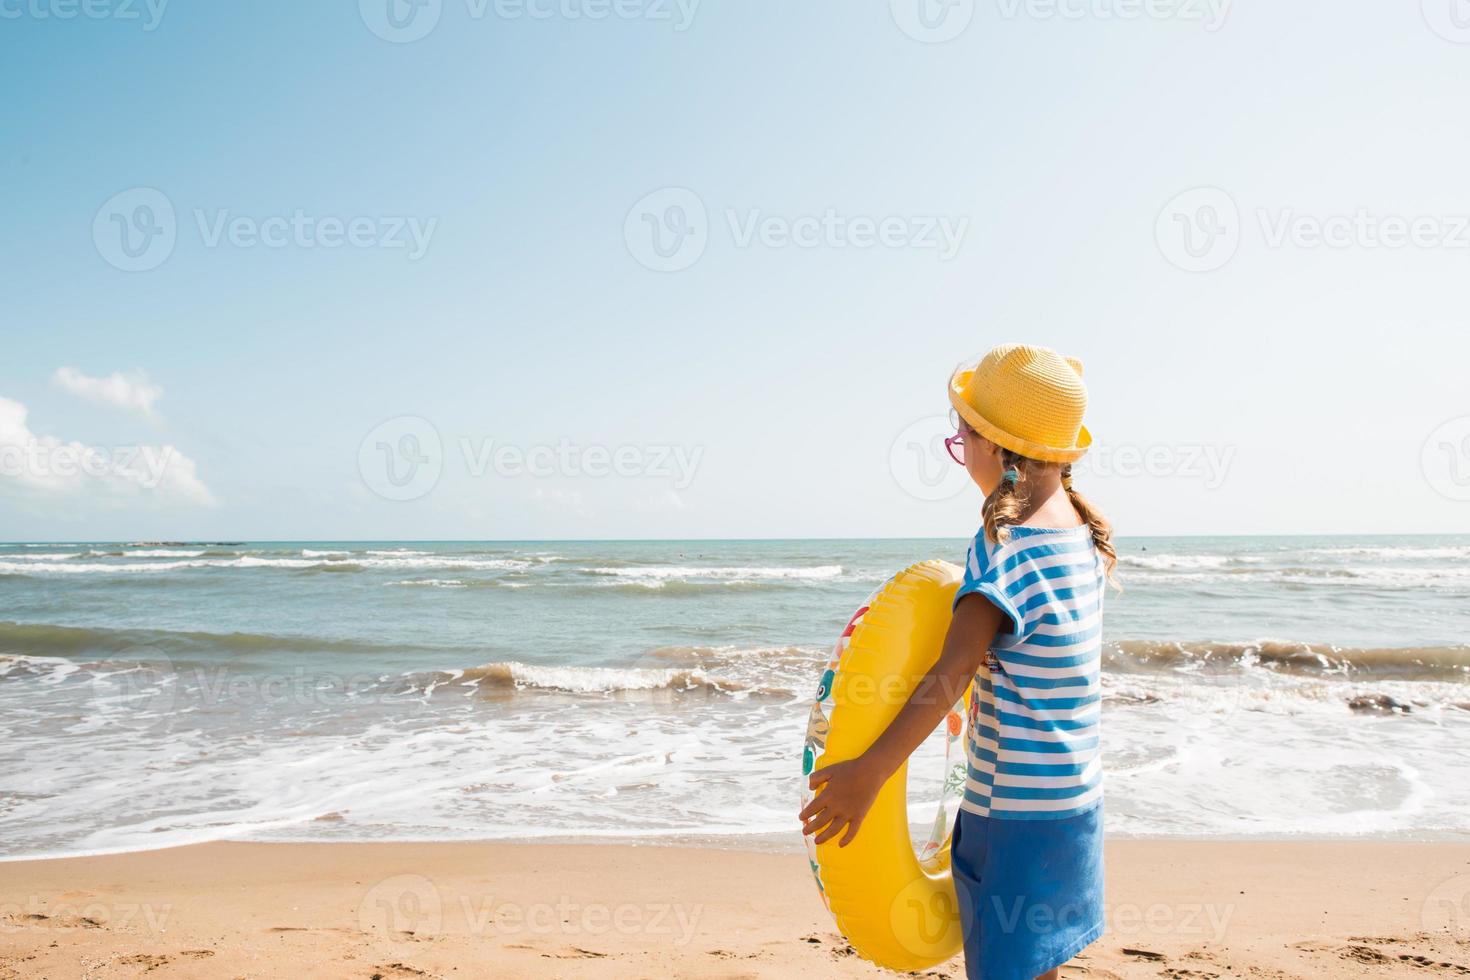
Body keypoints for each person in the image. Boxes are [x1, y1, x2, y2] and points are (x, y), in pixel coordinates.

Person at [800, 344, 1116, 980]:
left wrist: (871, 772)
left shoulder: (1004, 551)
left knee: (1004, 969)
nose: (959, 447)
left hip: (1011, 814)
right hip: (1076, 797)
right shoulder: (1081, 531)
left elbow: (950, 674)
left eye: (961, 435)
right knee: (1037, 961)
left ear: (997, 450)